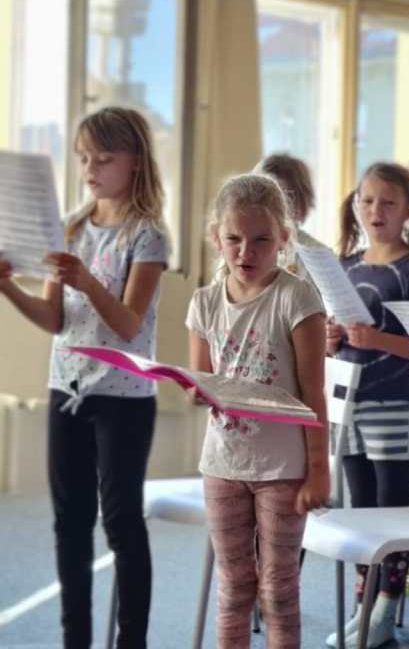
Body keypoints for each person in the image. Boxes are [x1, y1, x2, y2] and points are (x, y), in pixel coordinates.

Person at [0, 107, 169, 648]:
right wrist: (7, 286)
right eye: (82, 158)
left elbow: (128, 323)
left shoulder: (148, 235)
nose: (89, 169)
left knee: (121, 521)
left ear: (134, 161)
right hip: (66, 387)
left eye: (103, 158)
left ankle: (131, 641)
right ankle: (75, 640)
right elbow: (54, 319)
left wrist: (88, 281)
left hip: (124, 396)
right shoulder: (70, 227)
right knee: (69, 522)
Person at [187, 173, 329, 649]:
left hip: (283, 469)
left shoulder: (297, 298)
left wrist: (319, 470)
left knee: (279, 590)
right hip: (223, 463)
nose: (245, 252)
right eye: (234, 239)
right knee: (234, 588)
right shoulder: (205, 303)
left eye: (261, 240)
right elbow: (202, 381)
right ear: (217, 238)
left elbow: (313, 393)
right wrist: (193, 390)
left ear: (283, 239)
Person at [328, 162, 409, 648]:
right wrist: (332, 339)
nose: (376, 210)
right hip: (348, 403)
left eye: (388, 202)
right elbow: (337, 338)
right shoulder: (346, 266)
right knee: (360, 509)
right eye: (368, 200)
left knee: (391, 508)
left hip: (394, 402)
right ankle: (364, 602)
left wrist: (376, 339)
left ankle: (387, 605)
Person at [255, 152, 331, 280]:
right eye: (264, 196)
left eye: (285, 196)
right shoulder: (240, 248)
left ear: (303, 200)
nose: (272, 205)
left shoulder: (319, 255)